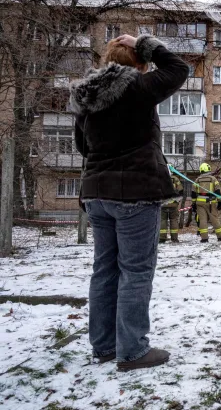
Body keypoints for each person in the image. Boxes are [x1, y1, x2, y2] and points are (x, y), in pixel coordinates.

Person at [70, 34, 189, 370]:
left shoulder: (87, 97)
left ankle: (105, 347)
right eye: (144, 63)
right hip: (135, 193)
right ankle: (132, 351)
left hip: (96, 193)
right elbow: (179, 68)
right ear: (138, 65)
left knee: (104, 271)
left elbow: (83, 147)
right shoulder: (137, 87)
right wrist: (146, 42)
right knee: (135, 272)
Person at [191, 163, 221, 243]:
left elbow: (193, 193)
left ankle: (204, 238)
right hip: (211, 202)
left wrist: (193, 204)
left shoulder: (197, 180)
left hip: (200, 202)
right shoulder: (213, 179)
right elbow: (218, 191)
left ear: (201, 170)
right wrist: (220, 202)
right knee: (214, 219)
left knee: (202, 220)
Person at [159, 173, 184, 243]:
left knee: (163, 220)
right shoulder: (175, 179)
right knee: (174, 220)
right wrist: (177, 199)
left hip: (163, 204)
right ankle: (174, 238)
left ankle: (162, 238)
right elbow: (181, 191)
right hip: (173, 204)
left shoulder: (160, 178)